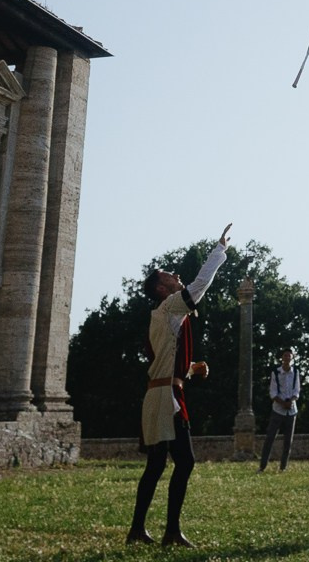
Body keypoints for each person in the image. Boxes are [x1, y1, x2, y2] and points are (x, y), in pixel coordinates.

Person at [129, 225, 232, 547]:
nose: (176, 275)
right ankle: (169, 531)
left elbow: (161, 360)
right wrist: (219, 250)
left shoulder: (162, 315)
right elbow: (201, 284)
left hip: (161, 393)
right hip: (165, 398)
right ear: (162, 289)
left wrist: (187, 370)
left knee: (158, 464)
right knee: (183, 461)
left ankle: (139, 530)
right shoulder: (170, 307)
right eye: (169, 275)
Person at [257, 346, 301, 472]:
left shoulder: (296, 372)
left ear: (292, 357)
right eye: (285, 355)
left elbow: (297, 390)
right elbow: (273, 391)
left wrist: (291, 401)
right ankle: (262, 466)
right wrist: (282, 403)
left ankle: (283, 467)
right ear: (282, 358)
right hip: (278, 409)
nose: (287, 357)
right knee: (270, 438)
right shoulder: (276, 372)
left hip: (291, 410)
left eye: (289, 355)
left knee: (288, 441)